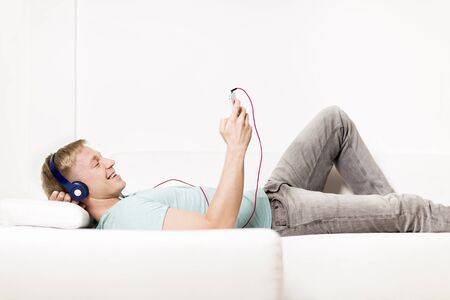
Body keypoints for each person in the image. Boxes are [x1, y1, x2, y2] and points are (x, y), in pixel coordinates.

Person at [41, 99, 450, 235]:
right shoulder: (127, 217)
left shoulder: (121, 209)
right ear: (78, 188)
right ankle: (398, 220)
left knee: (334, 122)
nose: (109, 161)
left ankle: (389, 222)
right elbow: (218, 229)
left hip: (271, 195)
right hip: (281, 216)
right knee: (408, 210)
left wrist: (78, 212)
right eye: (96, 162)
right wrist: (235, 149)